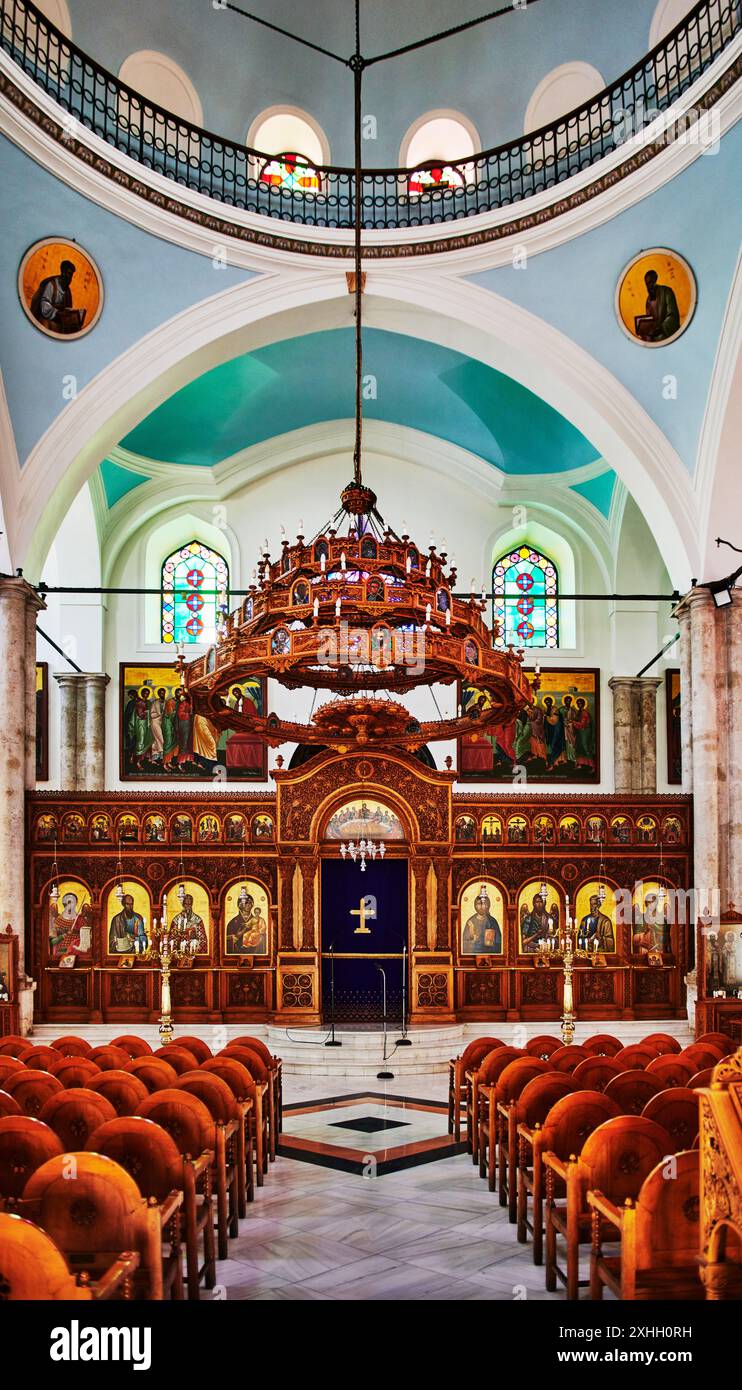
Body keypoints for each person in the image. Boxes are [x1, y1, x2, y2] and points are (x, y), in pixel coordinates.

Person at [30, 259, 86, 334]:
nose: (69, 277)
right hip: (49, 319)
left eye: (71, 275)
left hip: (61, 321)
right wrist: (57, 313)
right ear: (62, 273)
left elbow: (68, 308)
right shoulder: (52, 285)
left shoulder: (67, 291)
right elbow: (44, 305)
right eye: (68, 273)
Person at [636, 269, 681, 342]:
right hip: (653, 337)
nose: (649, 286)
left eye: (650, 282)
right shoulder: (648, 300)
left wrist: (661, 328)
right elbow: (649, 320)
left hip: (666, 335)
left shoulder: (666, 291)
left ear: (655, 280)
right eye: (647, 284)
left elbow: (673, 316)